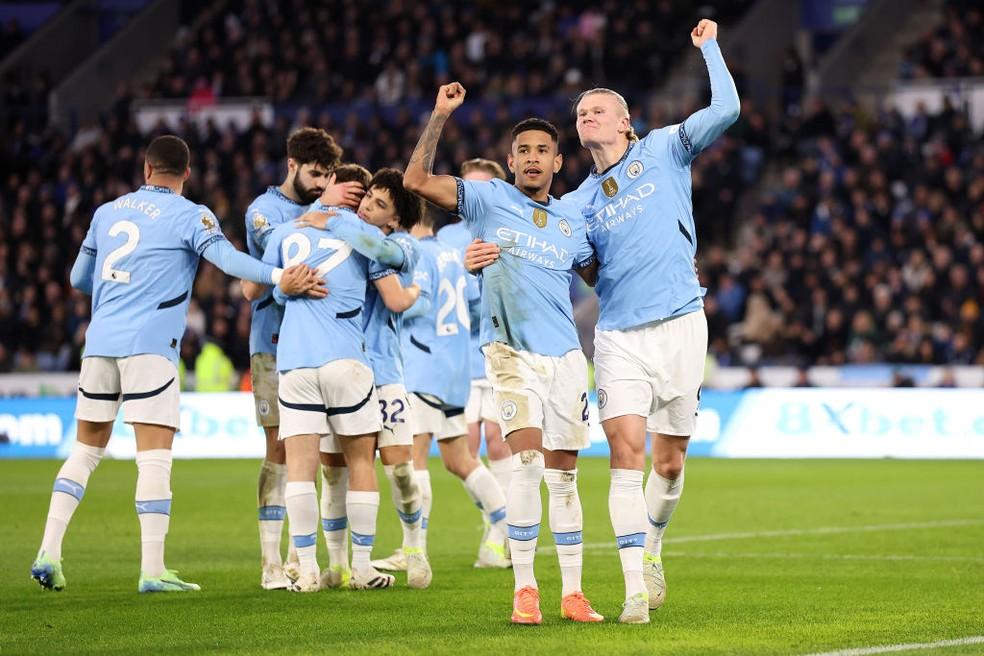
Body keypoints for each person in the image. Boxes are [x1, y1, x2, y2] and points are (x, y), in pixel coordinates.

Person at [464, 19, 740, 623]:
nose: (586, 116)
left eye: (597, 110)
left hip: (682, 324)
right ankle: (633, 592)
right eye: (581, 112)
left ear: (624, 122)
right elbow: (553, 253)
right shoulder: (574, 203)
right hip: (617, 336)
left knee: (669, 463)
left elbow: (729, 106)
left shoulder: (667, 147)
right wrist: (479, 255)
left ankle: (655, 547)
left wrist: (708, 47)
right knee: (626, 453)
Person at [31, 135, 321, 593]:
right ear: (186, 173)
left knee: (86, 450)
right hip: (150, 348)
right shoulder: (192, 215)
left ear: (146, 170)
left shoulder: (106, 213)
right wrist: (277, 274)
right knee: (154, 458)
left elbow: (77, 278)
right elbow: (227, 260)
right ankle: (152, 570)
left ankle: (49, 551)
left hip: (99, 345)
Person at [403, 84, 603, 625]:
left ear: (558, 162)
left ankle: (574, 593)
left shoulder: (570, 224)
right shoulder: (489, 200)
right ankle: (525, 589)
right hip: (510, 352)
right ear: (511, 162)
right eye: (524, 151)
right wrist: (440, 114)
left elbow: (602, 276)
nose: (533, 158)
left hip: (565, 358)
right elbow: (415, 182)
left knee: (565, 476)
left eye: (543, 151)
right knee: (528, 464)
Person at [260, 187, 411, 592]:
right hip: (346, 358)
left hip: (295, 362)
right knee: (361, 462)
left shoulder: (284, 232)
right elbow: (396, 261)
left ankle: (307, 571)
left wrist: (282, 289)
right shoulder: (361, 237)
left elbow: (270, 290)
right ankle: (361, 568)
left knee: (301, 470)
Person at [243, 128, 363, 589]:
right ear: (291, 165)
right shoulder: (265, 211)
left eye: (328, 176)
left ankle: (310, 556)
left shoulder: (334, 208)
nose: (321, 184)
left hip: (333, 345)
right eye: (315, 175)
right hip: (275, 344)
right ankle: (272, 561)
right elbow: (270, 268)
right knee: (282, 450)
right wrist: (325, 205)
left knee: (335, 454)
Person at [310, 168, 433, 590]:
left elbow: (396, 298)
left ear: (394, 221)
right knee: (333, 471)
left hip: (382, 372)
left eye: (379, 205)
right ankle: (339, 564)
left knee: (399, 468)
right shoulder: (341, 240)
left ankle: (414, 546)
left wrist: (330, 215)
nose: (365, 206)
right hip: (337, 368)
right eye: (367, 199)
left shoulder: (397, 245)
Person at [436, 158, 513, 567]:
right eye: (465, 186)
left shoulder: (507, 229)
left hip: (499, 353)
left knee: (500, 442)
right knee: (461, 452)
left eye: (480, 187)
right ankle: (498, 522)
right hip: (457, 362)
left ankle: (497, 538)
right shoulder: (446, 235)